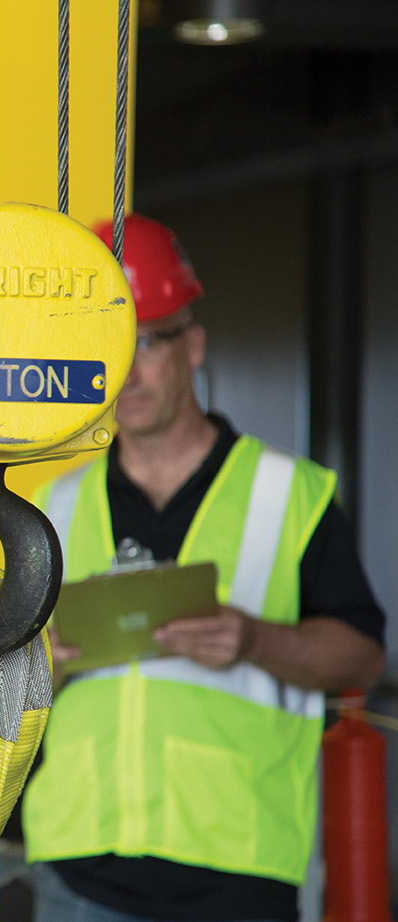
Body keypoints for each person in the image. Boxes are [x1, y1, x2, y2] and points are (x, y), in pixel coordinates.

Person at [20, 213, 387, 922]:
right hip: (79, 858)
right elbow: (0, 685)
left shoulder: (291, 493)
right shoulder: (52, 505)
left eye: (146, 342)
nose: (125, 372)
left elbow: (362, 658)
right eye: (106, 346)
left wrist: (255, 640)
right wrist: (46, 661)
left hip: (236, 863)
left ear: (193, 346)